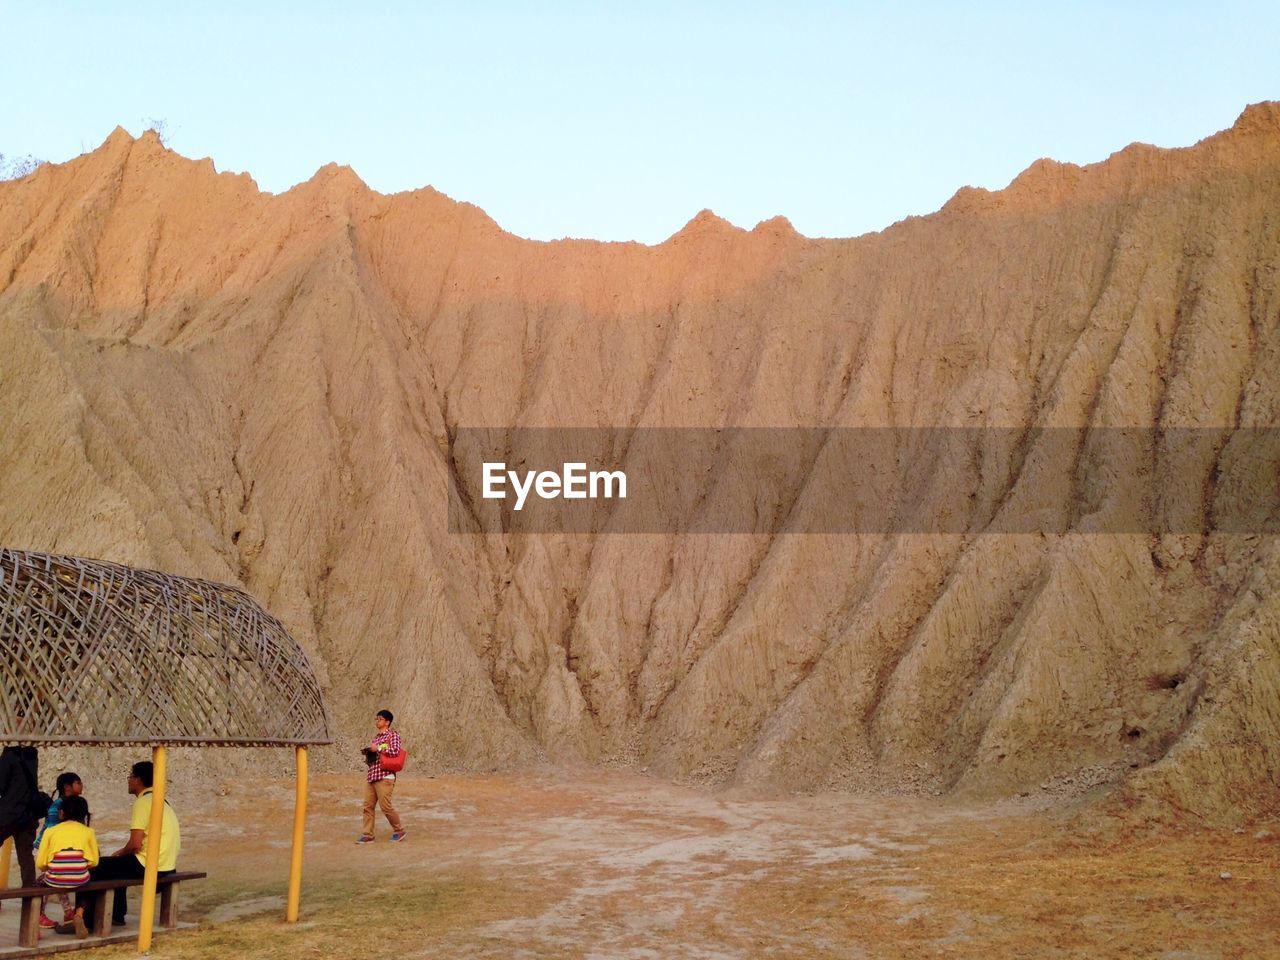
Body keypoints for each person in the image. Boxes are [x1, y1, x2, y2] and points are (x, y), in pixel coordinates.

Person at [78, 761, 180, 928]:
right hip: (168, 864)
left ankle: (86, 920)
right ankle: (117, 915)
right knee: (118, 867)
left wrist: (120, 852)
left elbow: (135, 845)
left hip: (150, 864)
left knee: (96, 866)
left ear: (138, 780)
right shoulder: (162, 801)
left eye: (130, 776)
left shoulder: (143, 803)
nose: (128, 780)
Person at [39, 795, 97, 939]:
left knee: (40, 882)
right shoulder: (88, 832)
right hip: (80, 879)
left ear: (62, 813)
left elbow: (40, 863)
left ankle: (36, 920)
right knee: (90, 881)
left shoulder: (50, 831)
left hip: (55, 879)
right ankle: (78, 914)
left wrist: (52, 868)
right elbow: (94, 861)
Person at [34, 772, 85, 930]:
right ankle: (38, 915)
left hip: (58, 850)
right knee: (47, 882)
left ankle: (68, 912)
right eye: (78, 782)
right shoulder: (58, 807)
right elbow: (51, 832)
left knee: (58, 880)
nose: (82, 785)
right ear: (67, 787)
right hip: (47, 849)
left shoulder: (71, 804)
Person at [356, 709, 405, 843]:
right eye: (376, 719)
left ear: (387, 722)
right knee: (368, 806)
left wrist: (377, 749)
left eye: (380, 719)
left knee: (385, 806)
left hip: (385, 776)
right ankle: (368, 834)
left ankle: (399, 830)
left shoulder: (393, 735)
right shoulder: (376, 738)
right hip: (373, 775)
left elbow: (395, 751)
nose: (377, 721)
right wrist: (368, 753)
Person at [0, 739, 40, 888]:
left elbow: (1, 785)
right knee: (26, 857)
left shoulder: (9, 756)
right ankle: (30, 899)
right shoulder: (32, 755)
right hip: (29, 813)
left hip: (10, 813)